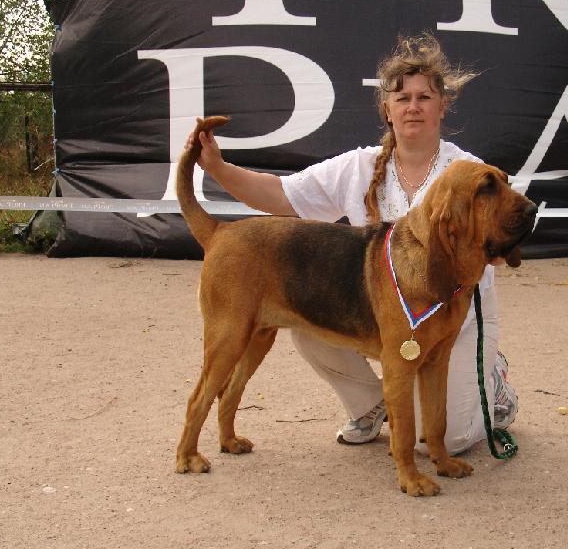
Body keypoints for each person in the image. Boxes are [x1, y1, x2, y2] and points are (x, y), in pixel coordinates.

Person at [185, 33, 519, 455]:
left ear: (442, 106)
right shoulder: (358, 166)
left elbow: (505, 234)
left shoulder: (469, 174)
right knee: (306, 319)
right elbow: (280, 195)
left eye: (424, 97)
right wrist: (216, 167)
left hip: (456, 317)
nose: (413, 106)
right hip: (388, 316)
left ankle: (493, 383)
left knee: (446, 440)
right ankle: (371, 405)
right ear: (387, 109)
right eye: (401, 98)